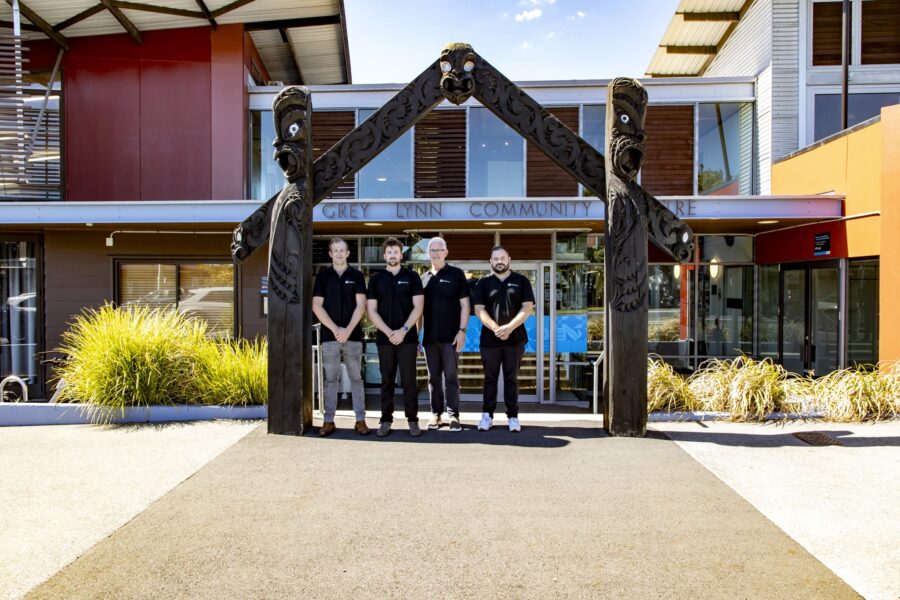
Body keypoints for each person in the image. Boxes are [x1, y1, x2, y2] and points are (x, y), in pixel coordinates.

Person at [366, 237, 425, 437]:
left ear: (401, 255)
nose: (393, 255)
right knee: (387, 381)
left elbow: (419, 307)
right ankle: (385, 420)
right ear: (385, 256)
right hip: (385, 339)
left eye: (396, 252)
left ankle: (413, 420)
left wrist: (403, 330)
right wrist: (389, 332)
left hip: (407, 339)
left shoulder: (412, 277)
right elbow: (371, 311)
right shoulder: (376, 280)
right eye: (389, 253)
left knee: (410, 381)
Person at [472, 245, 535, 432]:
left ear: (509, 260)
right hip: (489, 341)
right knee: (489, 379)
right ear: (490, 261)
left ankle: (513, 416)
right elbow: (479, 310)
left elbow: (527, 308)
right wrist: (496, 328)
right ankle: (487, 416)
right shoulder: (483, 283)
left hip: (515, 340)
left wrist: (509, 327)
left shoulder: (521, 281)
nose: (499, 261)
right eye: (495, 259)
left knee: (511, 379)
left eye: (502, 258)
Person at [312, 238, 369, 436]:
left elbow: (361, 305)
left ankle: (360, 420)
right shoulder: (323, 277)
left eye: (341, 250)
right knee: (330, 380)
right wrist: (336, 329)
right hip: (329, 337)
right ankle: (329, 421)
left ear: (347, 253)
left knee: (356, 379)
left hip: (353, 338)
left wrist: (347, 331)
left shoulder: (357, 276)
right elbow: (316, 305)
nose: (338, 253)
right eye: (335, 250)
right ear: (330, 254)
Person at [420, 237, 470, 432]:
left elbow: (465, 305)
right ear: (428, 254)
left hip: (451, 337)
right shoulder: (423, 278)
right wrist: (417, 336)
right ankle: (436, 414)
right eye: (432, 250)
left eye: (439, 250)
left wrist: (462, 331)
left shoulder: (456, 275)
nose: (436, 253)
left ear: (446, 252)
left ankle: (453, 415)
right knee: (433, 378)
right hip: (429, 339)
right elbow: (419, 311)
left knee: (451, 377)